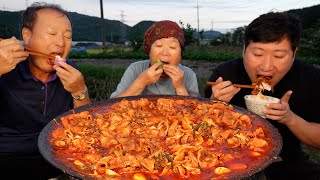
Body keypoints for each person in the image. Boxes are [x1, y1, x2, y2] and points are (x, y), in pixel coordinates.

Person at [204, 12, 320, 179]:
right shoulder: (225, 75)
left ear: (294, 53)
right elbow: (199, 133)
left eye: (279, 56)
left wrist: (290, 119)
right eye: (257, 54)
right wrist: (214, 105)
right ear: (244, 49)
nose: (266, 67)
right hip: (227, 163)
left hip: (287, 163)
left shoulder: (311, 79)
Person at [0, 2, 91, 179]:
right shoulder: (6, 66)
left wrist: (80, 91)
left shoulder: (71, 71)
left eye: (67, 36)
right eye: (51, 33)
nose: (60, 43)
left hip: (58, 163)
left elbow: (86, 129)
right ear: (27, 35)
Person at [110, 20, 199, 98]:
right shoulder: (135, 69)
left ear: (180, 55)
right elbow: (111, 107)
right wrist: (140, 82)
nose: (165, 53)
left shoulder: (188, 75)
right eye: (159, 46)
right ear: (149, 51)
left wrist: (180, 87)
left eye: (172, 47)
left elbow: (196, 112)